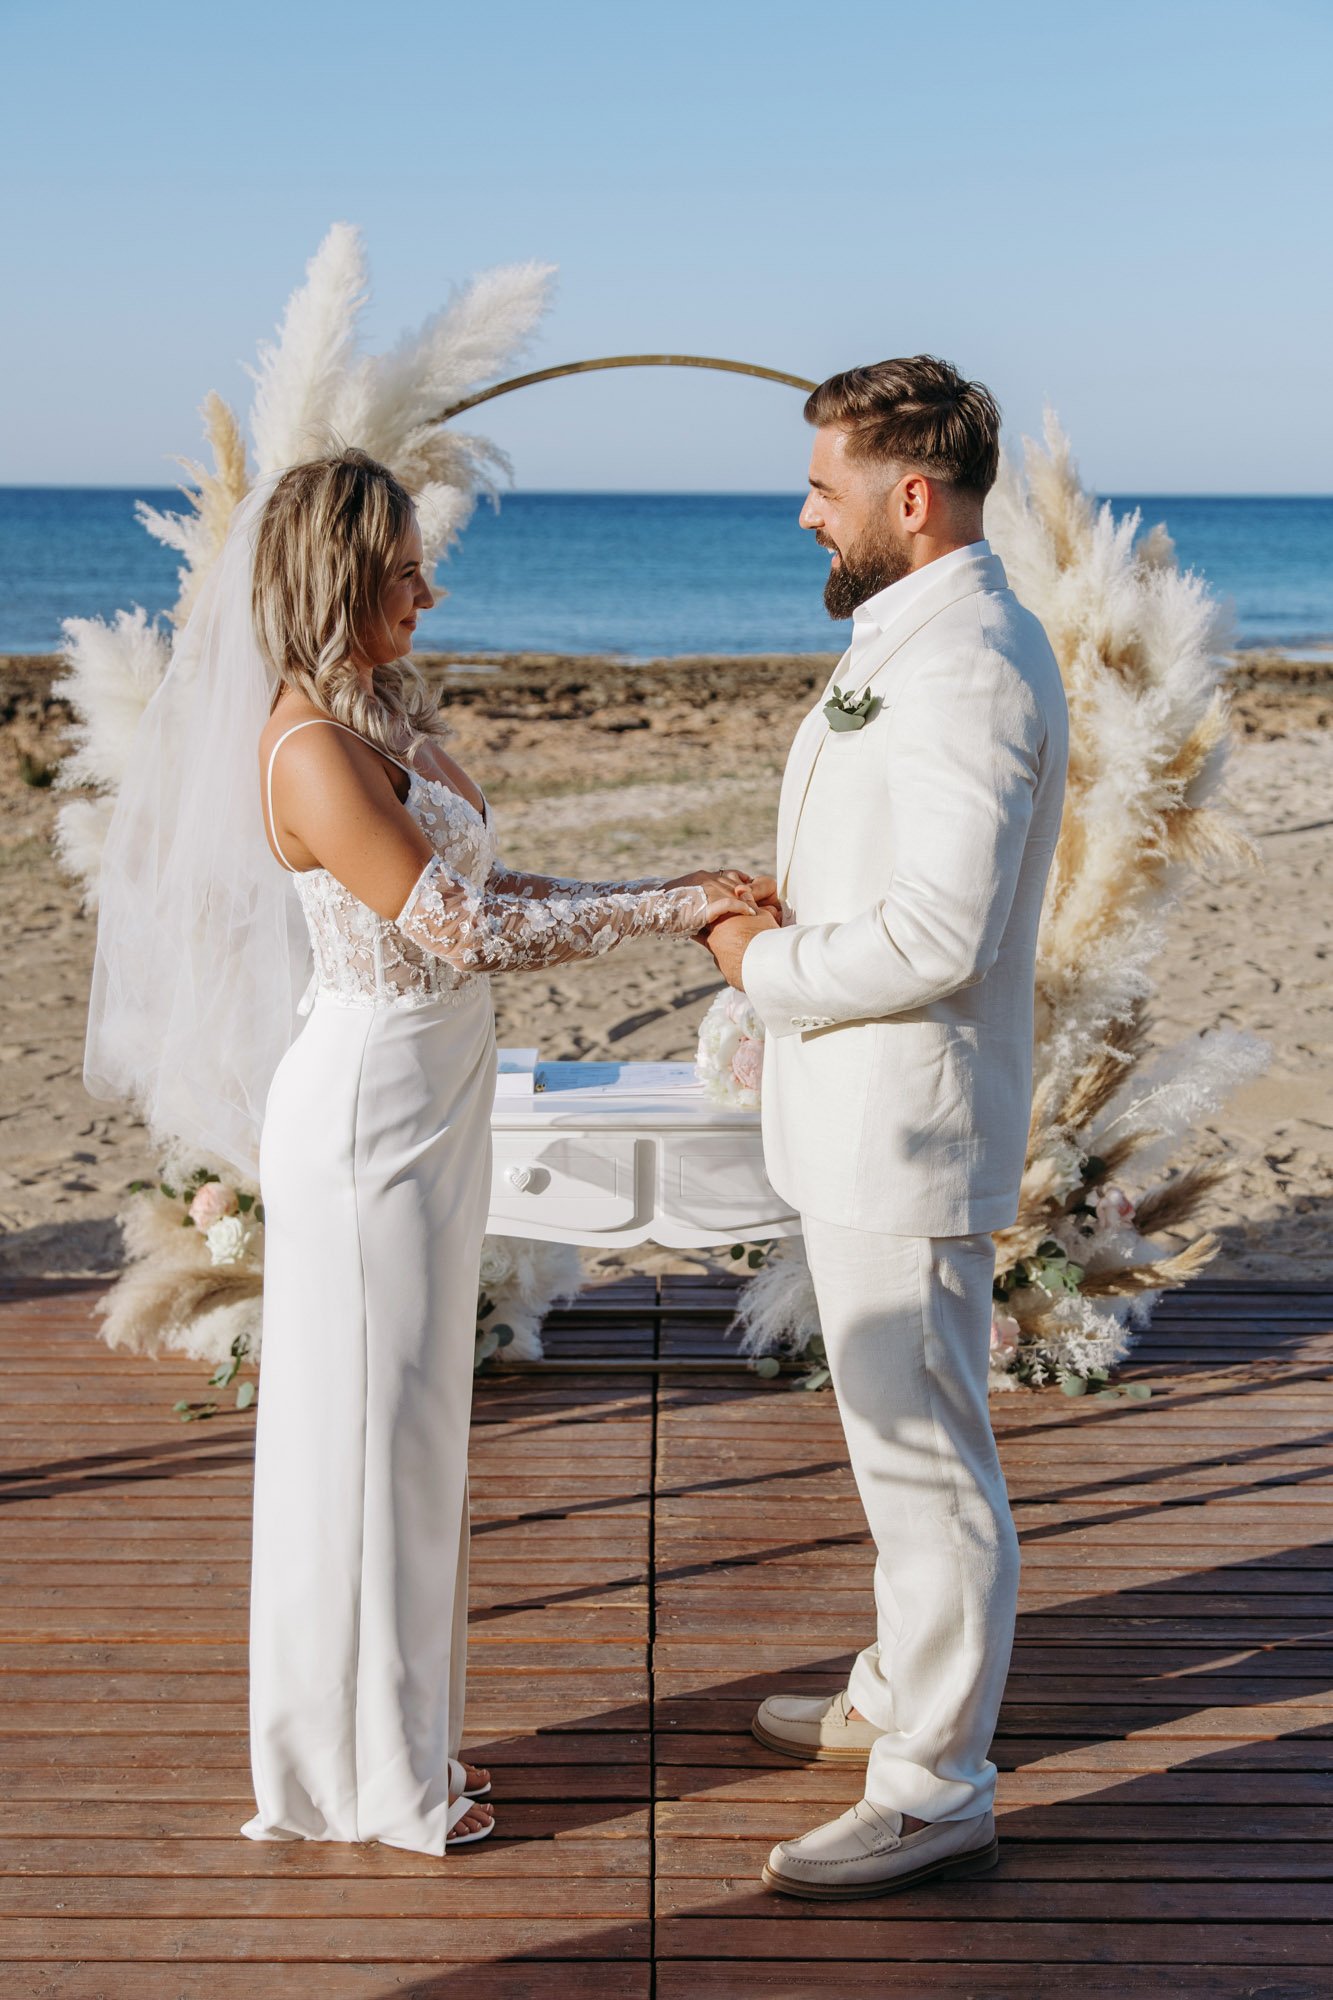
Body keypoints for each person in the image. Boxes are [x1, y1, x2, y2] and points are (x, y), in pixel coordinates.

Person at [85, 445, 763, 1857]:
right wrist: (674, 907)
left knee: (410, 1429)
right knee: (371, 1434)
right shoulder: (310, 749)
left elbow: (493, 885)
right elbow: (460, 932)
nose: (429, 590)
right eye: (402, 572)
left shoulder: (379, 722)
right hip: (367, 1109)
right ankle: (362, 1780)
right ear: (338, 575)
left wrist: (678, 888)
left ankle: (384, 1745)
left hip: (429, 1091)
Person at [700, 356, 1069, 1898]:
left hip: (903, 1135)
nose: (803, 513)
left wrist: (755, 966)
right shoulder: (909, 632)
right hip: (851, 1121)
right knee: (888, 1444)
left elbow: (940, 933)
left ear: (906, 500)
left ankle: (933, 1784)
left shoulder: (968, 658)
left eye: (821, 487)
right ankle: (890, 1690)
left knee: (926, 1461)